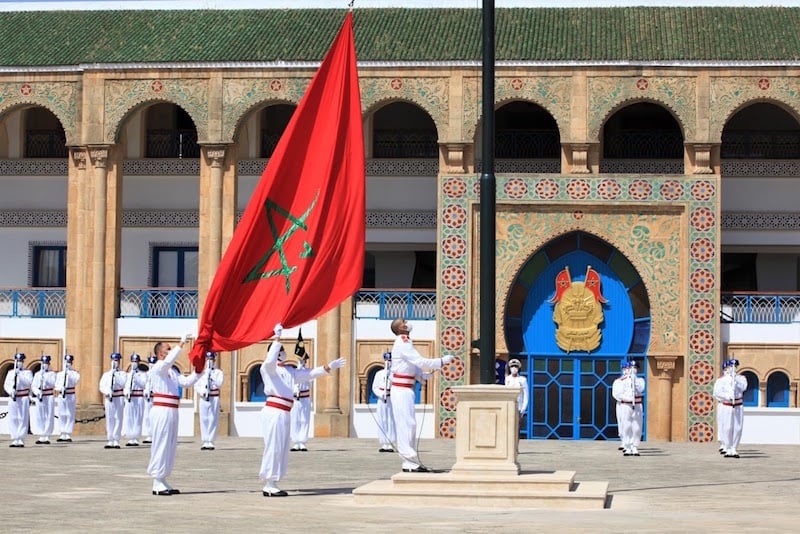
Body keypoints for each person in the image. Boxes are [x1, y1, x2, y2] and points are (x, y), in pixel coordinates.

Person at [259, 323, 346, 497]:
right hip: (274, 411)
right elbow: (269, 361)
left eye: (282, 349)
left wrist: (329, 366)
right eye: (280, 350)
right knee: (274, 446)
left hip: (285, 411)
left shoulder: (290, 371)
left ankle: (274, 481)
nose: (283, 352)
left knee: (282, 447)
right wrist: (276, 339)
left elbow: (310, 374)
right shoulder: (268, 369)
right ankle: (269, 482)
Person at [389, 318, 455, 473]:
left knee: (410, 424)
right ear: (401, 328)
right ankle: (408, 460)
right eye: (403, 322)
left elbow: (409, 365)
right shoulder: (403, 341)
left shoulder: (405, 342)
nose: (407, 323)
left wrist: (420, 376)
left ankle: (410, 460)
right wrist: (441, 361)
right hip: (400, 390)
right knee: (406, 424)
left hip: (406, 388)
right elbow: (419, 361)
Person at [147, 334, 198, 495]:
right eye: (168, 349)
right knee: (161, 443)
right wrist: (182, 343)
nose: (170, 351)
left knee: (170, 445)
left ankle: (163, 478)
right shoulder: (158, 368)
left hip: (172, 410)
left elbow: (186, 382)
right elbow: (168, 361)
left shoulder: (172, 372)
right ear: (160, 354)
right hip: (161, 410)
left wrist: (199, 371)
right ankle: (156, 480)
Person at [713, 358, 748, 458]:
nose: (733, 369)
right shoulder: (721, 380)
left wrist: (735, 380)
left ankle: (734, 448)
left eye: (735, 367)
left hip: (738, 405)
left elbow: (744, 387)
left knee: (737, 428)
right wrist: (727, 396)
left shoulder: (741, 378)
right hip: (727, 405)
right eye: (731, 367)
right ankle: (727, 447)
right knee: (727, 427)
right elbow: (717, 393)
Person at [613, 359, 646, 456]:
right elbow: (618, 394)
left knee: (637, 426)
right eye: (631, 368)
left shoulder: (640, 380)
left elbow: (641, 389)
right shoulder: (620, 381)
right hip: (626, 404)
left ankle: (634, 446)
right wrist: (627, 398)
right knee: (626, 425)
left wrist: (634, 380)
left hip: (637, 404)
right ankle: (627, 446)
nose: (632, 370)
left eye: (635, 368)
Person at [99, 352, 127, 449]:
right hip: (109, 397)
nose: (115, 362)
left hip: (119, 397)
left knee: (118, 418)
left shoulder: (122, 374)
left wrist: (115, 375)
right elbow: (101, 386)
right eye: (113, 360)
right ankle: (110, 439)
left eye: (116, 360)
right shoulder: (106, 374)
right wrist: (107, 391)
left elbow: (123, 383)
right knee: (110, 418)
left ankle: (116, 439)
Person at [4, 352, 33, 447]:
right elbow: (6, 384)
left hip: (23, 397)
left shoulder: (27, 372)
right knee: (13, 418)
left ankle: (21, 438)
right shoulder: (10, 372)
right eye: (17, 361)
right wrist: (10, 391)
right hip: (13, 397)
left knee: (22, 418)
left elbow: (29, 383)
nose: (19, 362)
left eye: (21, 361)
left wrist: (19, 375)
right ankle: (14, 437)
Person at [197, 351, 224, 451]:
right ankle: (205, 440)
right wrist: (201, 391)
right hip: (204, 397)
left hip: (214, 396)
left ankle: (211, 441)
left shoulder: (218, 372)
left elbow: (219, 383)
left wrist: (211, 375)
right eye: (208, 359)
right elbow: (197, 385)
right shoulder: (201, 372)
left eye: (211, 359)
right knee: (204, 418)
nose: (209, 361)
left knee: (213, 418)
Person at [371, 350, 395, 453]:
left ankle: (390, 443)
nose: (388, 362)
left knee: (391, 420)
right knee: (382, 420)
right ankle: (384, 443)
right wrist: (381, 394)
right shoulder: (379, 374)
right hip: (382, 399)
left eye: (390, 360)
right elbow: (375, 387)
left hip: (391, 399)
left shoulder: (394, 374)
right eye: (386, 360)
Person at [54, 353, 81, 442]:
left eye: (69, 362)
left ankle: (68, 433)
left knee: (69, 414)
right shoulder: (59, 374)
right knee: (62, 414)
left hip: (70, 394)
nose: (67, 363)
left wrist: (68, 374)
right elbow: (56, 384)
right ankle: (62, 433)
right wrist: (59, 388)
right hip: (61, 395)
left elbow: (75, 381)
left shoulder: (74, 374)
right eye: (66, 361)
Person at [31, 354, 57, 444]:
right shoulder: (37, 374)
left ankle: (47, 435)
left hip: (49, 395)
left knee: (48, 415)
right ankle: (41, 434)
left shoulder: (52, 374)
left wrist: (46, 380)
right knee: (40, 415)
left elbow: (54, 384)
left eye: (46, 363)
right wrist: (37, 392)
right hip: (40, 396)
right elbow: (33, 385)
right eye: (43, 363)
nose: (44, 365)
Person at [123, 353, 147, 446]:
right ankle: (130, 437)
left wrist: (136, 377)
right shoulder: (127, 375)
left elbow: (143, 384)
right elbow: (124, 384)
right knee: (129, 417)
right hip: (130, 398)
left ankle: (136, 437)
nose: (134, 363)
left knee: (137, 417)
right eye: (133, 361)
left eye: (136, 361)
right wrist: (126, 392)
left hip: (139, 397)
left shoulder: (142, 374)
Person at [290, 354, 312, 452]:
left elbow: (310, 381)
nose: (301, 362)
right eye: (300, 360)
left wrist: (302, 371)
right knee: (295, 420)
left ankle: (302, 442)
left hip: (305, 398)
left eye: (303, 360)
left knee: (304, 420)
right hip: (295, 399)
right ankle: (296, 442)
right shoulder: (293, 372)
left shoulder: (308, 372)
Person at [505, 358, 529, 431]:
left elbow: (526, 395)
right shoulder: (507, 379)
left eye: (515, 367)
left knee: (516, 428)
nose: (514, 368)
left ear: (518, 368)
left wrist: (523, 409)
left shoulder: (522, 379)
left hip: (518, 407)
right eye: (512, 367)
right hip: (509, 406)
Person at [611, 360, 630, 452]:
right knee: (622, 422)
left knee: (632, 423)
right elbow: (616, 394)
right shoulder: (619, 381)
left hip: (633, 405)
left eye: (628, 368)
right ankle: (623, 441)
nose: (627, 370)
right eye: (625, 368)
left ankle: (630, 442)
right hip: (622, 404)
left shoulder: (635, 381)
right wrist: (626, 398)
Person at [141, 355, 158, 444]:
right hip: (147, 398)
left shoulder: (159, 375)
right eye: (150, 363)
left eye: (153, 363)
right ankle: (149, 434)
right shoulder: (146, 375)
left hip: (155, 398)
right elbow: (142, 384)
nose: (152, 365)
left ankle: (155, 434)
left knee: (155, 416)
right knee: (147, 416)